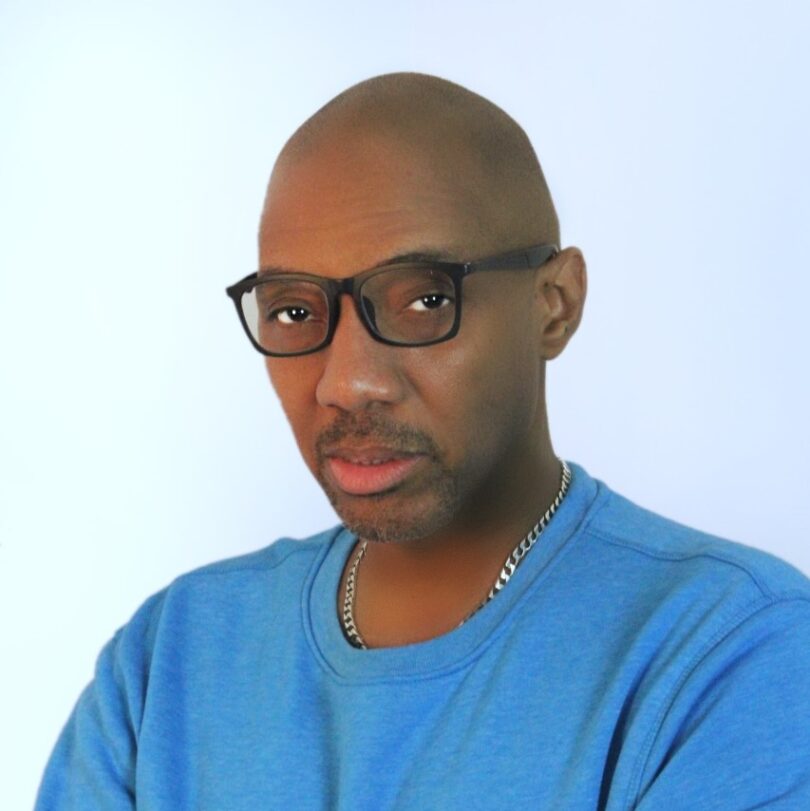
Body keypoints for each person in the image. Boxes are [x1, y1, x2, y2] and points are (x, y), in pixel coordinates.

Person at [36, 72, 810, 810]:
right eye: (296, 312)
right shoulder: (170, 660)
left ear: (555, 304)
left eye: (422, 299)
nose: (347, 382)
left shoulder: (731, 651)